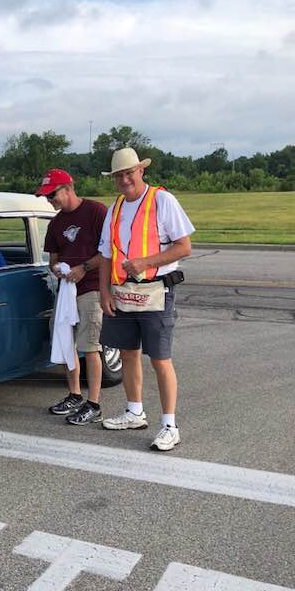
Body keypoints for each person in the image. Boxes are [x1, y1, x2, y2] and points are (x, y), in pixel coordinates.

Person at [97, 148, 195, 451]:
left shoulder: (162, 201)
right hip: (123, 292)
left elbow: (184, 247)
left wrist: (145, 262)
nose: (125, 179)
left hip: (155, 291)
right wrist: (103, 292)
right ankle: (135, 411)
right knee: (127, 352)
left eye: (129, 172)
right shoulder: (114, 209)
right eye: (119, 175)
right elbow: (105, 255)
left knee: (160, 359)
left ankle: (169, 425)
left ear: (141, 171)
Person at [37, 168, 108, 425]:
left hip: (91, 288)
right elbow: (53, 258)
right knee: (65, 342)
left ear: (67, 189)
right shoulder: (55, 223)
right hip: (67, 291)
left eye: (51, 194)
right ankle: (75, 394)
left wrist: (84, 268)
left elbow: (109, 252)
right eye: (46, 197)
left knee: (90, 346)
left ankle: (94, 403)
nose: (50, 200)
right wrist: (56, 269)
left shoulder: (96, 212)